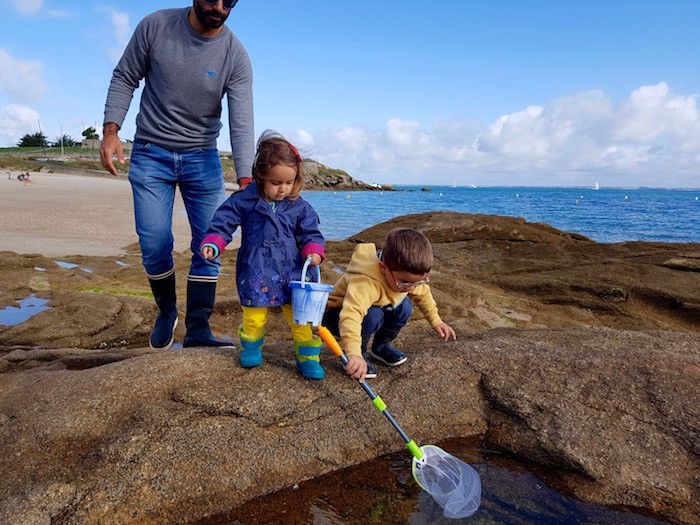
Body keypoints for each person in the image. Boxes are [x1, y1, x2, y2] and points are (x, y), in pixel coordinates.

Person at [100, 0, 255, 351]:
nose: (219, 6)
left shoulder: (235, 54)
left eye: (227, 1)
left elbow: (241, 120)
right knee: (154, 244)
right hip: (150, 153)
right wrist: (111, 130)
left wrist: (246, 181)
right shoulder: (156, 26)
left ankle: (198, 327)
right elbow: (125, 76)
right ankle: (167, 312)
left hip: (202, 158)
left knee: (211, 245)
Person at [199, 131, 327, 379]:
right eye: (276, 183)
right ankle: (251, 348)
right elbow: (222, 223)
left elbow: (311, 233)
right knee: (254, 315)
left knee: (302, 320)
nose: (283, 189)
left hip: (295, 271)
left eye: (289, 182)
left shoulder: (300, 206)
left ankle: (308, 358)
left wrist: (313, 251)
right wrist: (214, 243)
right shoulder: (243, 201)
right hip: (257, 268)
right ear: (260, 176)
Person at [323, 228, 456, 381]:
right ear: (383, 268)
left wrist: (436, 321)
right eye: (405, 282)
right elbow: (351, 315)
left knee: (405, 306)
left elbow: (423, 294)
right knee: (374, 315)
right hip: (337, 317)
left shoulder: (406, 279)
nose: (411, 287)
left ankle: (380, 347)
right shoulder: (365, 282)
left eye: (418, 282)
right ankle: (359, 354)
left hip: (372, 310)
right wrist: (353, 353)